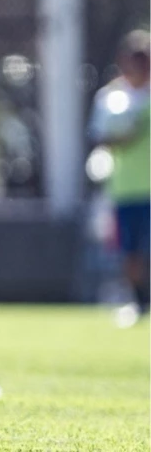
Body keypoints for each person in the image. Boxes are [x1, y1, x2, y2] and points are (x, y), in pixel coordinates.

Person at [89, 30, 151, 329]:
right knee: (131, 251)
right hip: (125, 188)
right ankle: (139, 302)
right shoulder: (113, 99)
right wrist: (126, 136)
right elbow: (101, 138)